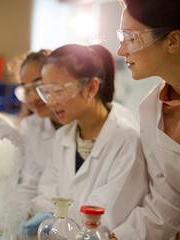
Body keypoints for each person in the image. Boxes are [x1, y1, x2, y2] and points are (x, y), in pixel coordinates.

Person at [26, 44, 147, 237]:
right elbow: (47, 194)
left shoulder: (126, 140)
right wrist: (44, 213)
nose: (51, 102)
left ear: (91, 87)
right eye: (46, 92)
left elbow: (107, 217)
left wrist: (56, 217)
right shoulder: (62, 137)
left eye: (58, 91)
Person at [111, 0, 180, 239]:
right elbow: (168, 202)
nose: (121, 51)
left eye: (131, 39)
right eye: (122, 38)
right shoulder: (151, 110)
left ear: (172, 41)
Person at [14, 50, 62, 204]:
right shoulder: (31, 125)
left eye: (39, 85)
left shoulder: (79, 123)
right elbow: (29, 183)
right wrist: (14, 215)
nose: (33, 97)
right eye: (26, 90)